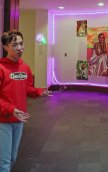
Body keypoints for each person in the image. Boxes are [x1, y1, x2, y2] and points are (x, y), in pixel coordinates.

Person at [0, 30, 52, 172]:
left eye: (21, 44)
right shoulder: (1, 68)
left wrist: (40, 91)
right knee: (3, 163)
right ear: (5, 47)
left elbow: (27, 89)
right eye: (15, 44)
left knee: (12, 158)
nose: (20, 48)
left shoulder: (25, 67)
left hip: (20, 120)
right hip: (3, 121)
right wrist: (11, 109)